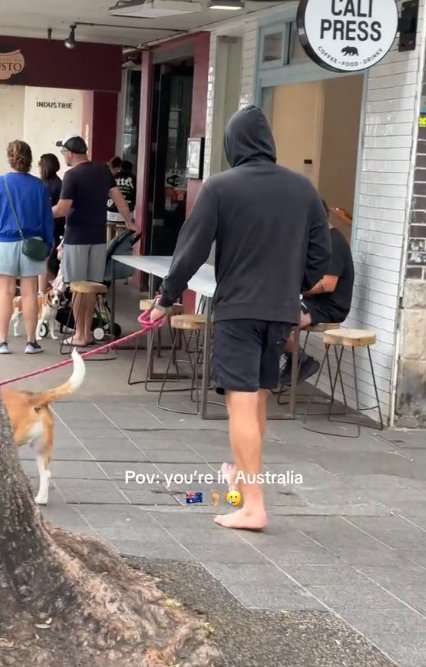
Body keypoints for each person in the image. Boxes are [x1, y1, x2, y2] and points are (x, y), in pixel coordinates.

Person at [150, 106, 331, 531]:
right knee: (258, 398)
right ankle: (243, 476)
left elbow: (190, 249)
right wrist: (292, 285)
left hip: (237, 312)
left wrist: (165, 298)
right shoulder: (302, 190)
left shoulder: (220, 187)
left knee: (241, 404)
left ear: (233, 144)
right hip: (281, 313)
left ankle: (253, 505)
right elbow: (320, 258)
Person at [53, 134, 135, 347]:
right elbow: (120, 200)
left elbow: (62, 209)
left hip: (77, 238)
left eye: (63, 153)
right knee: (91, 287)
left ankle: (81, 334)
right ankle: (86, 332)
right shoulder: (103, 171)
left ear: (70, 153)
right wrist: (130, 222)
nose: (63, 157)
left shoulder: (71, 175)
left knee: (79, 288)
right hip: (99, 239)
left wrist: (37, 212)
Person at [280, 199, 355, 386]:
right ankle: (296, 358)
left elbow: (328, 284)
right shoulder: (319, 241)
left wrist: (296, 288)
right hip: (313, 302)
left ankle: (300, 359)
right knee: (268, 313)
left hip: (328, 306)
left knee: (277, 317)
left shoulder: (334, 243)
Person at [0, 140, 54, 355]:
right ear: (30, 160)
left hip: (4, 243)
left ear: (9, 159)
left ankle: (2, 341)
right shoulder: (39, 186)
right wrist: (48, 245)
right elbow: (47, 219)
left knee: (5, 292)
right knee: (31, 294)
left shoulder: (1, 183)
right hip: (33, 244)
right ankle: (31, 342)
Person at [38, 153, 65, 292]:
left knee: (48, 262)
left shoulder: (52, 185)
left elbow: (50, 209)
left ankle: (47, 291)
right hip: (54, 227)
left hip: (53, 229)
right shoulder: (53, 182)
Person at [107, 159, 136, 225]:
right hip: (127, 215)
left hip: (110, 213)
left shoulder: (113, 177)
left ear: (120, 168)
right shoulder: (134, 178)